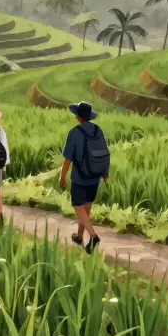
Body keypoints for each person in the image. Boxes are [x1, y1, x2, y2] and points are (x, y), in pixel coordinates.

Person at [59, 101, 108, 253]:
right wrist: (105, 173)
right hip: (95, 175)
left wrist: (62, 178)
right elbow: (104, 152)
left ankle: (93, 236)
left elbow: (67, 159)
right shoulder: (97, 130)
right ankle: (79, 236)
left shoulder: (74, 133)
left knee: (77, 206)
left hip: (80, 177)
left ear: (78, 116)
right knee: (86, 208)